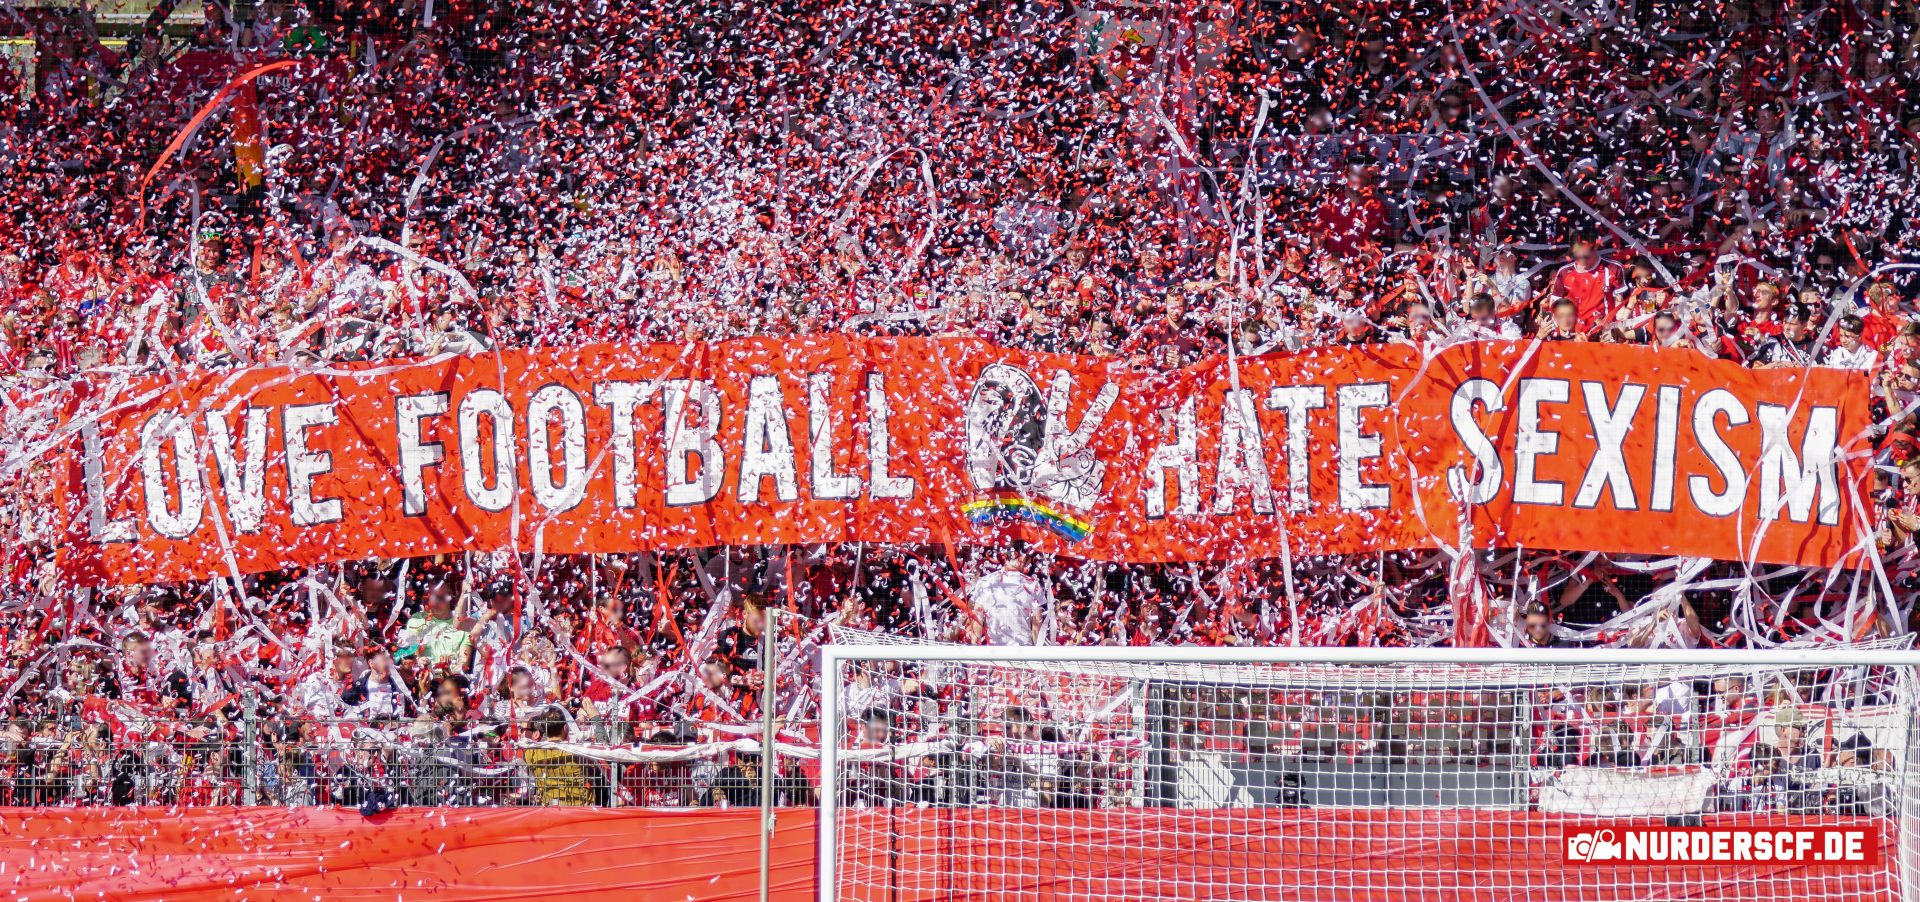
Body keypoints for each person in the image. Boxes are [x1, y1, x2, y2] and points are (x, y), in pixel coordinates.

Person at [520, 710, 599, 806]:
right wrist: (595, 718)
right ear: (565, 727)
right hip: (580, 809)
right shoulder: (579, 753)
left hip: (549, 808)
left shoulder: (530, 754)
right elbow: (608, 752)